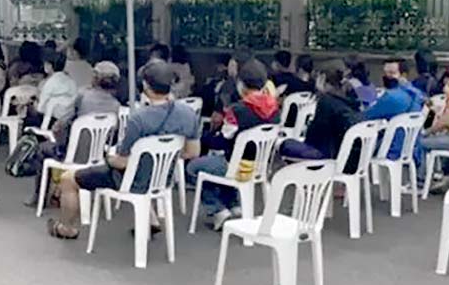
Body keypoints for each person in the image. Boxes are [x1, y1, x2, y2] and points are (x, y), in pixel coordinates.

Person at [47, 62, 201, 240]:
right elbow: (193, 152)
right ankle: (151, 220)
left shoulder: (139, 119)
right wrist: (165, 155)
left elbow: (122, 162)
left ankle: (66, 228)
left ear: (145, 85)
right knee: (146, 167)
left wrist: (110, 157)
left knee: (68, 179)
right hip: (162, 179)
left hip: (131, 180)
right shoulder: (188, 114)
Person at [187, 59, 280, 230]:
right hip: (259, 167)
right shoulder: (275, 110)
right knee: (217, 165)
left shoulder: (237, 110)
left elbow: (222, 141)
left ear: (241, 84)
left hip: (235, 166)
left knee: (194, 167)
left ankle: (218, 210)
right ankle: (233, 204)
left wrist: (204, 138)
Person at [25, 61, 122, 207]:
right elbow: (112, 138)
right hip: (98, 156)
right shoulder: (115, 105)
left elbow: (63, 121)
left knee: (42, 149)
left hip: (73, 154)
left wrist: (56, 132)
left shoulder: (83, 96)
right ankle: (58, 192)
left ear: (95, 77)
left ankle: (39, 198)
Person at [280, 60, 361, 163]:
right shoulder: (351, 101)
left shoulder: (326, 102)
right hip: (346, 156)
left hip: (327, 155)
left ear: (322, 78)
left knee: (285, 144)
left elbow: (314, 137)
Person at [363, 58, 425, 159]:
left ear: (403, 75)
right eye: (385, 73)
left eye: (392, 73)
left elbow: (366, 116)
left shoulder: (392, 97)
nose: (387, 76)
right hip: (413, 149)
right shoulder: (417, 94)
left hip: (392, 150)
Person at [26, 49, 77, 128]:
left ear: (50, 66)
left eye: (45, 64)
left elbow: (40, 108)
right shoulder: (71, 81)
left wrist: (32, 105)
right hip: (67, 120)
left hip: (50, 121)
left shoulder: (50, 82)